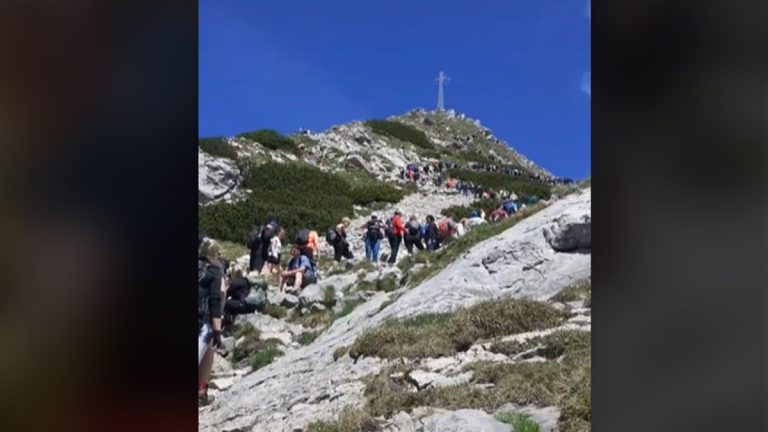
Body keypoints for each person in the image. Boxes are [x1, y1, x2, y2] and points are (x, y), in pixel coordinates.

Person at [198, 238, 224, 406]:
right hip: (202, 320)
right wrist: (217, 331)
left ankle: (202, 392)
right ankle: (201, 391)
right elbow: (215, 301)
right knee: (208, 349)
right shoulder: (214, 270)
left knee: (207, 351)